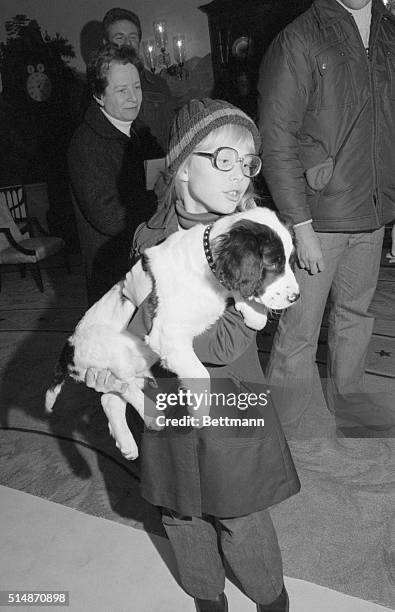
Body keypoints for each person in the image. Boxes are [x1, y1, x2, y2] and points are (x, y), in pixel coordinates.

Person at [86, 98, 300, 612]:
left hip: (230, 401)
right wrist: (109, 354)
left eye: (248, 163)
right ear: (181, 168)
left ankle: (271, 598)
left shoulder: (252, 235)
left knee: (240, 510)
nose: (239, 175)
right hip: (168, 402)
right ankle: (208, 598)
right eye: (223, 159)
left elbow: (225, 342)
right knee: (181, 510)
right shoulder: (150, 239)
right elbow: (127, 312)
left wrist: (153, 329)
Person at [257, 0, 395, 436]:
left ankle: (351, 410)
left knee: (356, 316)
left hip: (372, 212)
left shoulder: (390, 31)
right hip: (318, 219)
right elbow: (277, 139)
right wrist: (300, 225)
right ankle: (286, 432)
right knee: (299, 329)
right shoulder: (299, 37)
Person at [68, 43, 161, 305]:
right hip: (113, 275)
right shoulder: (86, 143)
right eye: (122, 90)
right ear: (99, 95)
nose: (134, 97)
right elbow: (108, 217)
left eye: (137, 87)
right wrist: (158, 202)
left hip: (145, 262)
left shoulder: (141, 131)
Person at [103, 7, 174, 154]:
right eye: (119, 37)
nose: (127, 43)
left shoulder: (158, 85)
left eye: (132, 37)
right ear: (106, 43)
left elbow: (172, 133)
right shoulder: (99, 88)